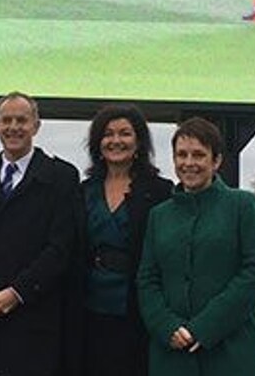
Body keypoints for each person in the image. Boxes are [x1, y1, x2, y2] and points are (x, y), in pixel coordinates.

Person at [0, 91, 84, 376]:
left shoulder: (61, 176)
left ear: (36, 126)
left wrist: (16, 293)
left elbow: (61, 247)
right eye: (6, 121)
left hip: (33, 322)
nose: (13, 127)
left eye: (21, 120)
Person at [136, 117, 255, 376]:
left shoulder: (243, 205)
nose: (189, 163)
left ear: (216, 160)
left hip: (233, 353)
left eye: (198, 155)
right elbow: (147, 279)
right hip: (172, 355)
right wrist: (167, 327)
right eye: (181, 155)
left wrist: (204, 328)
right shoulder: (159, 215)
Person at [81, 104, 174, 376]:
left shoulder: (160, 192)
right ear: (98, 143)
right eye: (108, 134)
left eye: (125, 134)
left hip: (137, 312)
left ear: (138, 143)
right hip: (88, 311)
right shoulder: (82, 192)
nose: (116, 141)